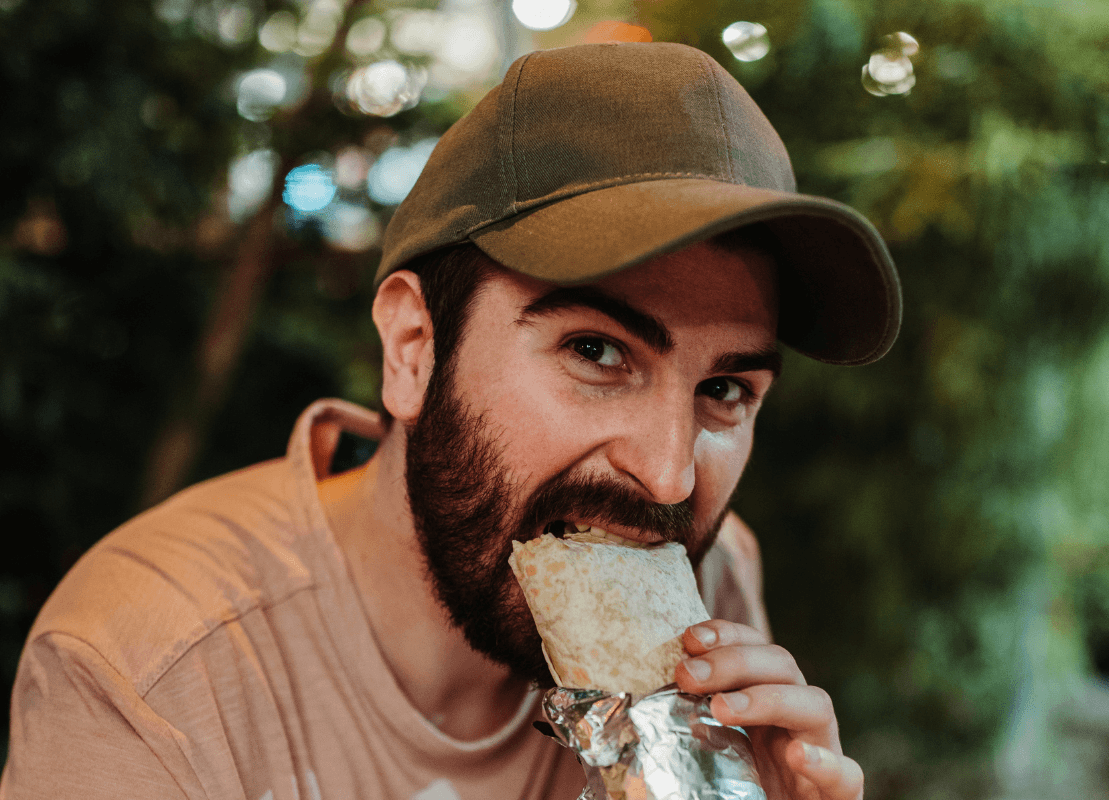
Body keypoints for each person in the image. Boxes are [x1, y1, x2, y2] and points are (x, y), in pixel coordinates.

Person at [0, 42, 900, 800]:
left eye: (726, 389)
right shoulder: (153, 672)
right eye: (595, 351)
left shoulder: (717, 580)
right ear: (413, 347)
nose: (669, 476)